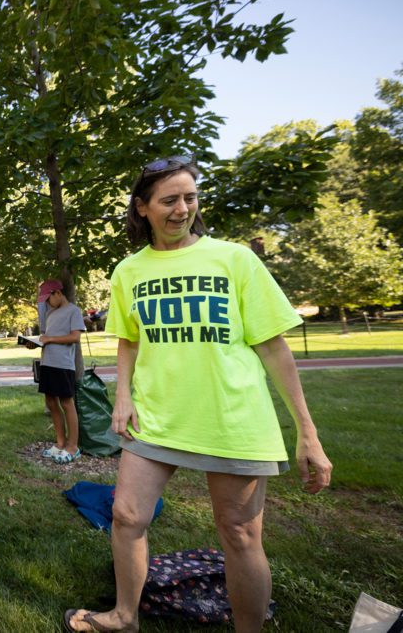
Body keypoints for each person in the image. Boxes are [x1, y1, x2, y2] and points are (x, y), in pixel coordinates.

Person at [63, 156, 332, 633]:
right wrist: (121, 397)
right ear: (142, 208)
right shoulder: (129, 270)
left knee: (240, 534)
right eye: (169, 200)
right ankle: (125, 617)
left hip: (231, 418)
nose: (182, 209)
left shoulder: (234, 259)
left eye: (190, 197)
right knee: (126, 516)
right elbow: (129, 339)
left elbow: (273, 346)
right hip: (156, 415)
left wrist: (307, 432)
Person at [29, 279, 84, 464]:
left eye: (48, 298)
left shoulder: (73, 311)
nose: (46, 302)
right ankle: (60, 443)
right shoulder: (51, 313)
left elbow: (75, 337)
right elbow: (47, 337)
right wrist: (36, 343)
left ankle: (73, 446)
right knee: (51, 401)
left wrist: (50, 339)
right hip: (47, 363)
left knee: (67, 403)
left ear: (57, 293)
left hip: (63, 365)